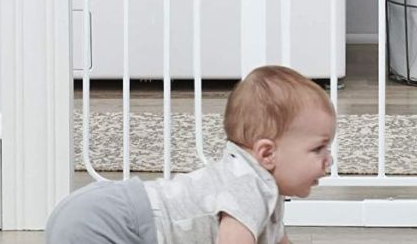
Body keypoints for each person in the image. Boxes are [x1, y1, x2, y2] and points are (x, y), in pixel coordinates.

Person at [46, 65, 336, 244]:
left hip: (105, 213)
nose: (329, 160)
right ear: (267, 153)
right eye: (317, 148)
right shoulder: (248, 187)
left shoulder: (263, 187)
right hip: (113, 222)